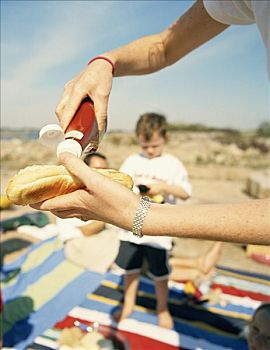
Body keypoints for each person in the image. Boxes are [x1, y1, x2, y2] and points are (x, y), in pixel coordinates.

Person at [31, 0, 270, 245]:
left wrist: (142, 216)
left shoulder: (172, 164)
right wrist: (105, 62)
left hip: (156, 237)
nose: (149, 150)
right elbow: (165, 47)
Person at [113, 113, 191, 328]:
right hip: (130, 226)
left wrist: (163, 188)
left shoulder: (172, 164)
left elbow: (185, 193)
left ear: (166, 137)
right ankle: (128, 303)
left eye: (154, 146)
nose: (149, 151)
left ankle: (162, 308)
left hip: (160, 229)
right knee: (130, 268)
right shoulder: (132, 161)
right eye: (144, 146)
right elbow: (120, 186)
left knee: (160, 272)